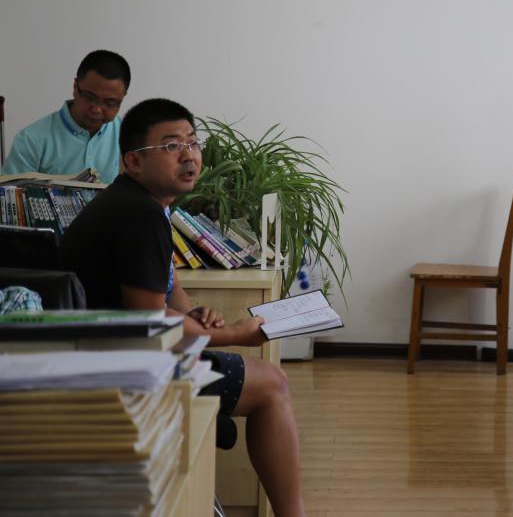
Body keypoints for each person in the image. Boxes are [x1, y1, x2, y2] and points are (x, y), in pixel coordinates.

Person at [61, 98, 306, 516]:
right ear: (134, 161)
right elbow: (150, 320)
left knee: (267, 381)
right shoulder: (140, 215)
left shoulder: (141, 204)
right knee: (272, 384)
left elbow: (166, 293)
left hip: (112, 353)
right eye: (172, 146)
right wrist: (233, 334)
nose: (189, 155)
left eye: (193, 142)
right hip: (123, 369)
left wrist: (196, 315)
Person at [2, 50, 130, 183]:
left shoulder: (128, 137)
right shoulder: (30, 140)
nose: (96, 109)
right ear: (75, 87)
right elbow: (11, 192)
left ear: (123, 97)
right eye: (89, 97)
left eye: (110, 103)